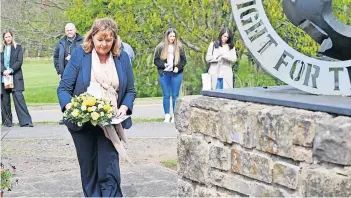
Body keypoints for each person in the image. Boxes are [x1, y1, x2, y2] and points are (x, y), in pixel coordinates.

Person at [57, 18, 136, 197]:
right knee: (89, 171)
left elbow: (130, 90)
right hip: (83, 124)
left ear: (114, 40)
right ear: (92, 37)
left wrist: (124, 108)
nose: (104, 44)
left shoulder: (121, 58)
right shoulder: (79, 55)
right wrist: (72, 107)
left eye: (108, 40)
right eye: (100, 40)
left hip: (110, 123)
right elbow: (63, 89)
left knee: (109, 170)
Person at [1, 30, 33, 127]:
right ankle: (7, 122)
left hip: (15, 76)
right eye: (6, 37)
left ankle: (26, 121)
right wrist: (4, 71)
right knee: (4, 100)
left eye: (9, 36)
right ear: (3, 38)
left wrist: (10, 70)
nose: (8, 39)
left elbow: (19, 61)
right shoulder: (1, 49)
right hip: (3, 78)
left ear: (12, 36)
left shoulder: (18, 47)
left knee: (19, 98)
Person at [154, 28, 187, 123]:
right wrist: (163, 65)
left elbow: (184, 60)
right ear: (167, 36)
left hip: (176, 74)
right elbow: (156, 60)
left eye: (174, 36)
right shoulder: (160, 47)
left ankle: (175, 115)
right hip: (164, 74)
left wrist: (178, 67)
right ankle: (167, 115)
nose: (172, 38)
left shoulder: (180, 47)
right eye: (170, 36)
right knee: (166, 95)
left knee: (175, 95)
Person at [53, 23, 83, 125]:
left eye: (71, 30)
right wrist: (59, 71)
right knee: (65, 94)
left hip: (79, 73)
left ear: (75, 30)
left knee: (78, 94)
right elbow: (56, 57)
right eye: (67, 30)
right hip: (65, 73)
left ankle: (79, 115)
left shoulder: (82, 41)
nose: (69, 32)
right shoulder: (60, 42)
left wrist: (73, 58)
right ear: (65, 31)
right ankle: (67, 116)